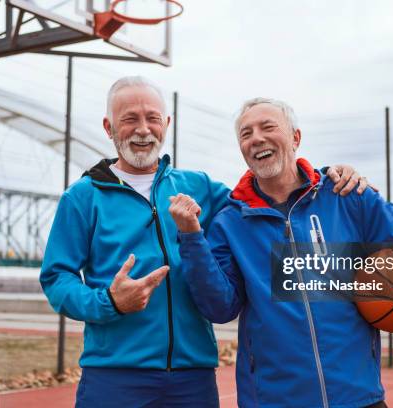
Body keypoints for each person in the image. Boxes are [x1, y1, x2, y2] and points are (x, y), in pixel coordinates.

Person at [39, 77, 372, 407]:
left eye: (152, 118)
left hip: (192, 379)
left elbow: (264, 203)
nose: (143, 129)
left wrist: (327, 176)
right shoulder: (83, 198)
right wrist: (109, 301)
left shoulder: (199, 187)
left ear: (166, 124)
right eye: (130, 119)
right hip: (113, 377)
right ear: (108, 127)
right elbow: (57, 278)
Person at [169, 97, 393, 408]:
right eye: (246, 133)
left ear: (295, 137)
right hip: (273, 399)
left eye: (268, 127)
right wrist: (192, 237)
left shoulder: (347, 196)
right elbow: (220, 308)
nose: (257, 139)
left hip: (358, 396)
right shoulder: (230, 222)